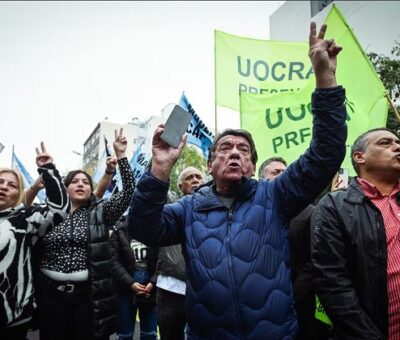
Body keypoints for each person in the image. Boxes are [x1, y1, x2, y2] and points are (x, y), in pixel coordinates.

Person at [127, 22, 347, 338]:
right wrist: (160, 168)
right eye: (225, 148)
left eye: (243, 149)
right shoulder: (188, 209)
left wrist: (325, 78)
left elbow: (326, 152)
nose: (234, 153)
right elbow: (142, 228)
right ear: (210, 163)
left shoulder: (275, 196)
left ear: (252, 164)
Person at [37, 128, 135, 340]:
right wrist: (47, 170)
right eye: (74, 181)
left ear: (92, 189)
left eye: (85, 182)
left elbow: (128, 192)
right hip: (50, 296)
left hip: (88, 297)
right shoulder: (47, 214)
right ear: (65, 188)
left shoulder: (101, 212)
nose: (80, 184)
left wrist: (121, 156)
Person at [311, 128, 400, 340]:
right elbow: (331, 281)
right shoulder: (334, 206)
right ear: (359, 157)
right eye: (385, 143)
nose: (397, 146)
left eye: (398, 142)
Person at [0, 142, 70, 340]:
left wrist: (47, 170)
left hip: (12, 318)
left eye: (12, 185)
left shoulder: (24, 218)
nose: (4, 187)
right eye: (0, 181)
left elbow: (58, 210)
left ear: (18, 195)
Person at [258, 157, 331, 340]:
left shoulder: (311, 212)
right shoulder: (253, 214)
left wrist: (290, 296)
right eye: (276, 172)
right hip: (261, 306)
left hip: (302, 306)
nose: (284, 176)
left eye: (286, 171)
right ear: (262, 180)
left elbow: (315, 259)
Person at [156, 167, 204, 340]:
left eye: (198, 176)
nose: (195, 179)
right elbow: (155, 188)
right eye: (189, 177)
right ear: (180, 186)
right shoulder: (170, 208)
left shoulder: (217, 208)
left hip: (205, 291)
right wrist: (162, 163)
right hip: (171, 290)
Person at [110, 216, 158, 340]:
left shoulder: (155, 228)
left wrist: (153, 281)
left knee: (150, 334)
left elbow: (162, 259)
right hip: (125, 287)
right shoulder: (119, 230)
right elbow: (113, 261)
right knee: (125, 334)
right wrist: (130, 283)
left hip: (151, 288)